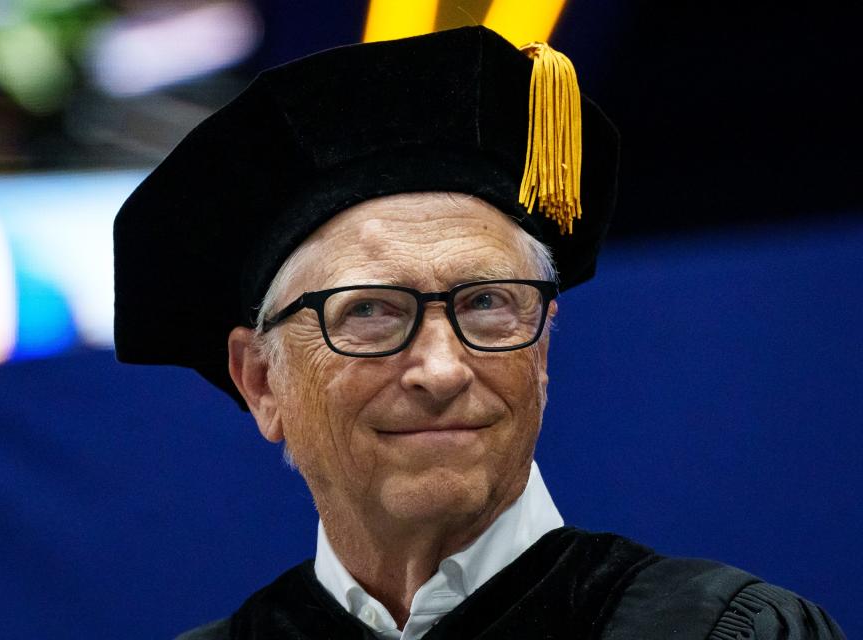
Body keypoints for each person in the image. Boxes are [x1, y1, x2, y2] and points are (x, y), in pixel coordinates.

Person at [113, 26, 844, 639]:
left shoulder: (716, 631)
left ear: (543, 347)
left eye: (489, 303)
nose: (442, 368)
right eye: (369, 311)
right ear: (262, 381)